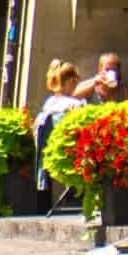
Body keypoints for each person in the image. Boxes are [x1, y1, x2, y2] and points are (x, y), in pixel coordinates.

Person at [32, 60, 83, 206]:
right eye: (75, 82)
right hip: (69, 151)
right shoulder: (74, 104)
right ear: (69, 81)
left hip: (46, 153)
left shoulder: (49, 103)